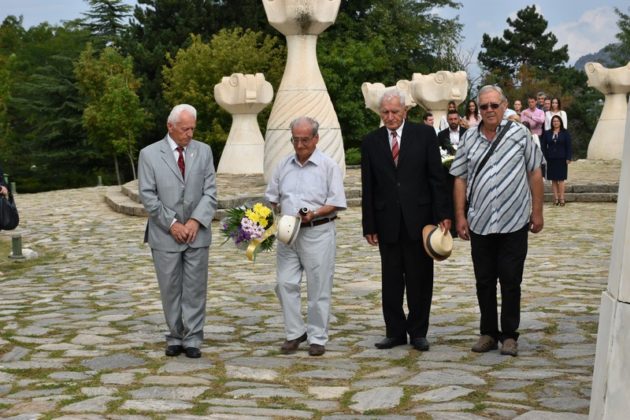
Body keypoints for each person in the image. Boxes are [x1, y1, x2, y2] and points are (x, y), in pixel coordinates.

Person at [450, 85, 545, 357]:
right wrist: (460, 216)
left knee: (511, 280)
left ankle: (510, 335)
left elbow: (535, 172)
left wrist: (537, 212)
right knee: (484, 281)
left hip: (513, 221)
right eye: (484, 106)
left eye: (494, 105)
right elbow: (459, 178)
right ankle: (488, 333)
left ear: (504, 107)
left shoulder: (520, 135)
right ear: (477, 109)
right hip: (480, 221)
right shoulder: (468, 139)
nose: (489, 110)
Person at [361, 90, 451, 352]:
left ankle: (418, 331)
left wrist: (442, 214)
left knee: (419, 279)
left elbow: (436, 177)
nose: (390, 117)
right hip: (386, 221)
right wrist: (369, 225)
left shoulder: (424, 136)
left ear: (405, 112)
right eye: (385, 112)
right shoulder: (371, 142)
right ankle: (395, 331)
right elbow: (369, 187)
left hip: (420, 220)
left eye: (394, 112)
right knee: (391, 281)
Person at [138, 104, 218, 359]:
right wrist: (172, 224)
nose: (190, 134)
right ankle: (175, 335)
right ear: (170, 127)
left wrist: (195, 221)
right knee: (170, 287)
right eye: (185, 129)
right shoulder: (149, 155)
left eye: (193, 128)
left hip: (197, 233)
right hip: (164, 234)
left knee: (195, 287)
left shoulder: (204, 152)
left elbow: (210, 191)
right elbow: (148, 195)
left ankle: (193, 337)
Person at [265, 116, 347, 356]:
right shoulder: (282, 165)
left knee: (318, 286)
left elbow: (336, 202)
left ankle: (317, 337)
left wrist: (314, 213)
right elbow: (272, 197)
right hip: (287, 233)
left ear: (315, 139)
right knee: (284, 283)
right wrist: (262, 217)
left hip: (318, 231)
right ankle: (295, 332)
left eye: (305, 140)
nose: (300, 145)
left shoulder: (328, 166)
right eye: (295, 140)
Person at [541, 115, 572, 206]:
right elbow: (543, 146)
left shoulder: (565, 133)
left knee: (561, 179)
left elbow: (569, 146)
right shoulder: (547, 133)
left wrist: (568, 157)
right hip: (551, 159)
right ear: (552, 123)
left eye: (557, 121)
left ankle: (562, 198)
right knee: (553, 179)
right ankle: (556, 198)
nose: (555, 122)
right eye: (554, 121)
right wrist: (545, 157)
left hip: (562, 158)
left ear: (560, 122)